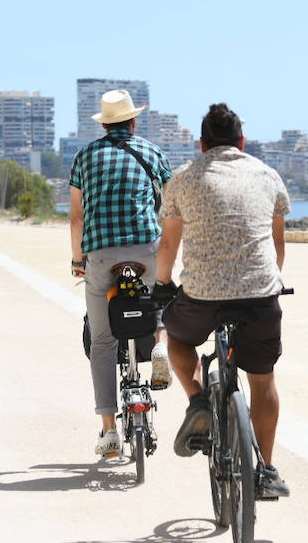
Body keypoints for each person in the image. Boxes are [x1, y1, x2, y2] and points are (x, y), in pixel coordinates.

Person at [153, 103, 292, 499]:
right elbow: (277, 246)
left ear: (202, 145)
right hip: (260, 297)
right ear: (242, 141)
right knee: (262, 379)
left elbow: (168, 244)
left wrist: (163, 286)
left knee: (175, 338)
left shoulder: (182, 179)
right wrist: (271, 282)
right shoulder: (268, 175)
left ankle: (198, 400)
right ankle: (265, 469)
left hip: (201, 297)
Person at [69, 90, 174, 457]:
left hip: (101, 255)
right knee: (159, 294)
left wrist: (76, 260)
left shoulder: (85, 156)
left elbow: (77, 217)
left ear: (104, 122)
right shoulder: (151, 151)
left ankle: (109, 430)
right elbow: (171, 201)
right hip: (146, 250)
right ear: (133, 121)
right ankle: (160, 345)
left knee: (102, 342)